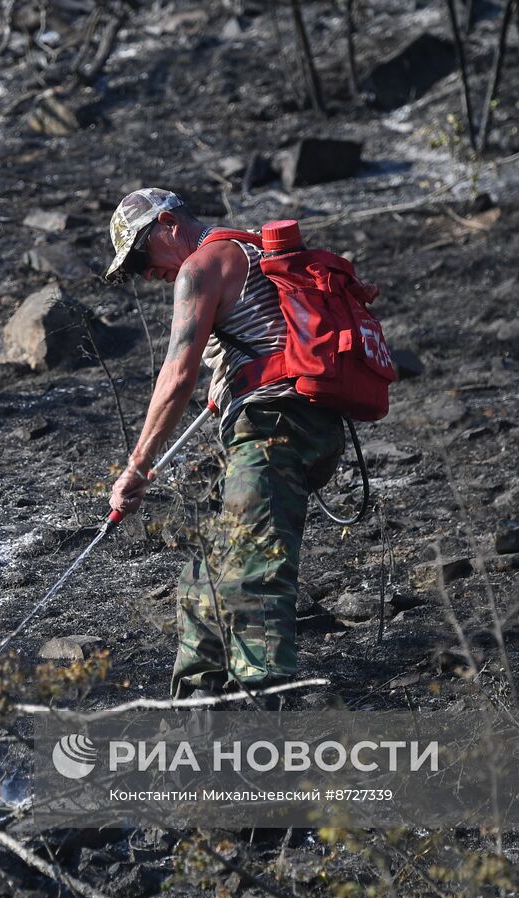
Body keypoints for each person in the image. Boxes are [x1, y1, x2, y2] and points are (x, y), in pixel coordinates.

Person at [103, 188, 344, 701]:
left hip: (273, 429)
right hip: (298, 428)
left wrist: (137, 467)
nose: (147, 273)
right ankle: (199, 708)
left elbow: (177, 373)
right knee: (203, 577)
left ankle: (262, 719)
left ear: (167, 223)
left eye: (143, 256)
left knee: (251, 578)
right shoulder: (250, 251)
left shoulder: (201, 267)